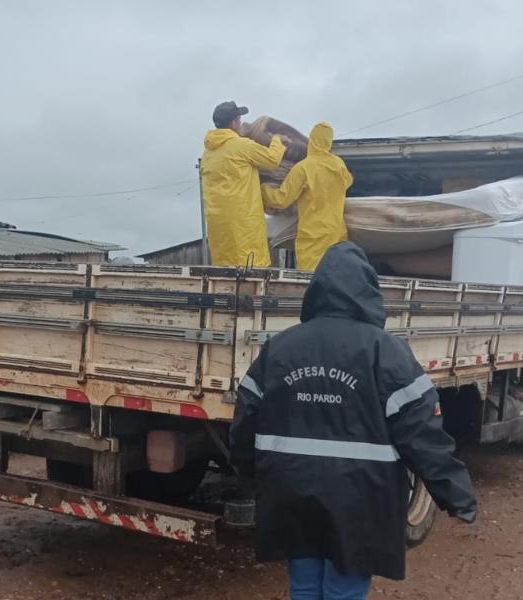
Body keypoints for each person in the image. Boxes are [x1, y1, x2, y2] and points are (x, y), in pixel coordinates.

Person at [229, 241, 476, 600]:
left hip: (292, 488)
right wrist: (456, 495)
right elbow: (420, 432)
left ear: (316, 292)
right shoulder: (386, 352)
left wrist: (247, 469)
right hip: (361, 497)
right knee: (344, 589)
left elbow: (245, 416)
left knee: (304, 583)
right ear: (367, 292)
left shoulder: (279, 348)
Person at [201, 101, 286, 267]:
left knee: (225, 273)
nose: (240, 123)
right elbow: (272, 160)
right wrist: (277, 140)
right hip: (243, 224)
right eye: (239, 119)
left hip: (219, 226)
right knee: (252, 269)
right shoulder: (241, 146)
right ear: (233, 123)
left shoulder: (208, 154)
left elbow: (235, 185)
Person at [261, 122, 352, 271]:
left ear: (311, 140)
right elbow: (348, 181)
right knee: (335, 278)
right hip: (337, 234)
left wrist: (263, 188)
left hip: (312, 238)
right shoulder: (338, 165)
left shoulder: (303, 168)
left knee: (311, 282)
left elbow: (281, 199)